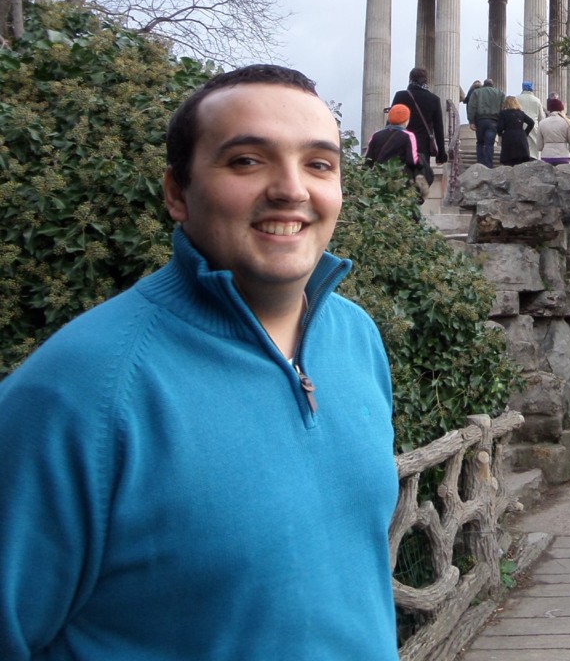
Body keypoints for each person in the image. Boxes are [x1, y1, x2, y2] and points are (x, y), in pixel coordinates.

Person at [0, 65, 399, 660]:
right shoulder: (75, 392)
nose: (292, 189)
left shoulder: (356, 338)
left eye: (319, 163)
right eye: (247, 161)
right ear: (177, 193)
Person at [391, 67, 448, 185]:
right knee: (420, 182)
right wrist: (441, 154)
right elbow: (438, 129)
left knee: (400, 182)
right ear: (426, 80)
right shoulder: (434, 99)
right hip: (422, 148)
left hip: (401, 146)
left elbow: (391, 122)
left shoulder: (400, 96)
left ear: (410, 79)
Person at [366, 103, 429, 201]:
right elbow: (412, 161)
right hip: (400, 180)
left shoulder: (376, 135)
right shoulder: (408, 136)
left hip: (379, 180)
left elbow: (368, 160)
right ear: (406, 120)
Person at [464, 77, 504, 168]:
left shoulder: (476, 92)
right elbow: (503, 108)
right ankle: (489, 164)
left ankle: (480, 164)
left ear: (484, 84)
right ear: (492, 85)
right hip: (494, 121)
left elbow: (472, 107)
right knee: (490, 144)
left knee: (480, 142)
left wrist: (471, 121)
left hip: (480, 120)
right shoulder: (500, 93)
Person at [535, 96, 570, 165]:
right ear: (561, 109)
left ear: (549, 110)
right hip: (563, 156)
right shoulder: (567, 122)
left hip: (546, 157)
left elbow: (539, 147)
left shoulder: (541, 123)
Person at [498, 95, 536, 166]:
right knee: (521, 162)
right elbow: (531, 122)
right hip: (521, 137)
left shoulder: (503, 113)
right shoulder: (521, 113)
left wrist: (501, 134)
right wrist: (525, 133)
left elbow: (500, 127)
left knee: (509, 162)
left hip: (509, 137)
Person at [516, 80, 547, 157]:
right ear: (532, 89)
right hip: (533, 124)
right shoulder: (537, 100)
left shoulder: (517, 99)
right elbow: (541, 116)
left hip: (519, 124)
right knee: (534, 147)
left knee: (520, 145)